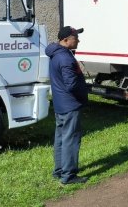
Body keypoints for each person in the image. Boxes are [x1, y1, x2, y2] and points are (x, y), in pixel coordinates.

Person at [45, 26, 89, 185]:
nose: (78, 40)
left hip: (60, 104)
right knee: (71, 139)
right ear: (65, 40)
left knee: (61, 138)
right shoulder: (65, 58)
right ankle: (68, 176)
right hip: (70, 105)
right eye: (75, 37)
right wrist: (83, 95)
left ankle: (59, 171)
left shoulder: (56, 54)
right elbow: (71, 85)